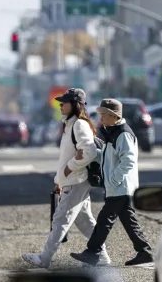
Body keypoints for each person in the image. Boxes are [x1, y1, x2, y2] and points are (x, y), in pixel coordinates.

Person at [21, 88, 110, 269]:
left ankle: (44, 258)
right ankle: (102, 256)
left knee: (60, 219)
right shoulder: (72, 124)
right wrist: (60, 179)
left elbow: (89, 152)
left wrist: (70, 169)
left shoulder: (79, 125)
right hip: (74, 179)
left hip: (76, 180)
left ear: (75, 105)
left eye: (64, 102)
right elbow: (69, 155)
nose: (60, 105)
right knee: (85, 222)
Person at [70, 98, 154, 267]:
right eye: (101, 114)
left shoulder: (123, 133)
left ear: (114, 116)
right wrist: (95, 154)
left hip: (120, 187)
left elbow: (128, 161)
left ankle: (92, 252)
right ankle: (144, 252)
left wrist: (114, 179)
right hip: (118, 187)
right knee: (128, 221)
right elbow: (111, 157)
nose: (101, 118)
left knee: (104, 220)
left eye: (104, 115)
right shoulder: (113, 131)